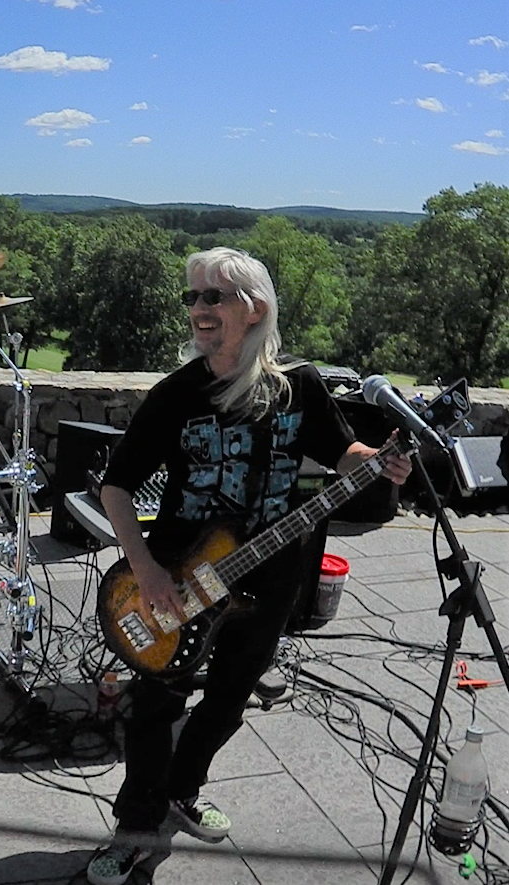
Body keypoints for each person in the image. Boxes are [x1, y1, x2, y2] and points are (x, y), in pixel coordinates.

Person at [87, 247, 411, 885]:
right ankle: (135, 826)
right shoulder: (178, 394)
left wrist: (379, 461)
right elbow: (116, 487)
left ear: (255, 308)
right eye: (193, 297)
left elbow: (342, 451)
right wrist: (145, 569)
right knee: (156, 706)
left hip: (270, 577)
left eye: (214, 296)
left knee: (230, 699)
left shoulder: (299, 387)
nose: (199, 309)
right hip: (177, 579)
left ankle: (183, 789)